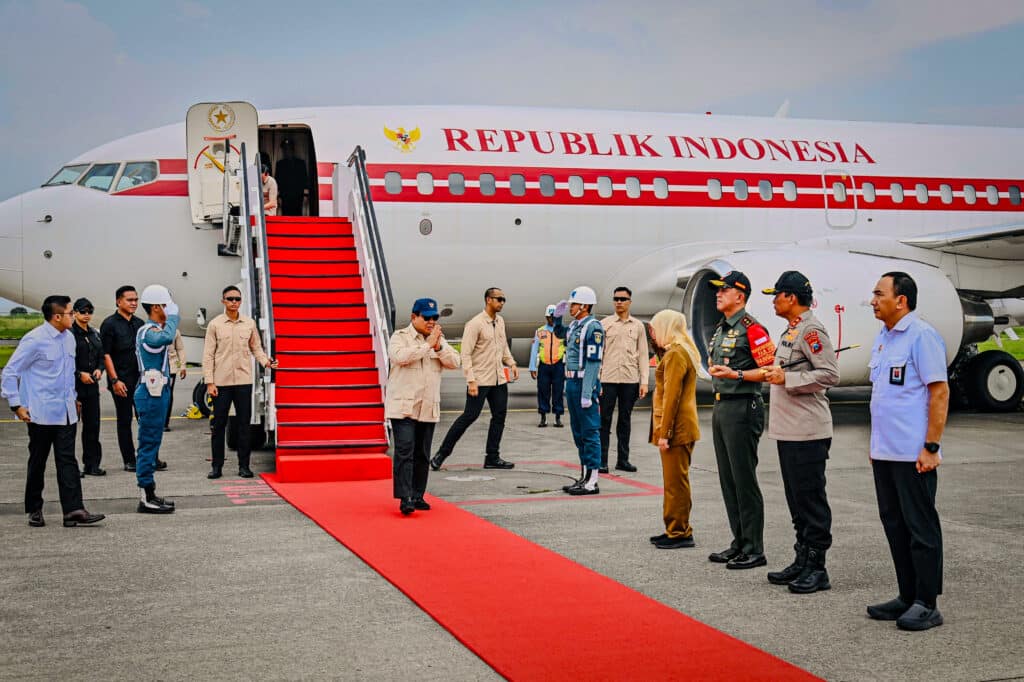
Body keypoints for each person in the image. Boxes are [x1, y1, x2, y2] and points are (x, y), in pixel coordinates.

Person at [866, 272, 948, 631]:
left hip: (914, 455)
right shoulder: (883, 338)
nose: (873, 300)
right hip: (885, 453)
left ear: (901, 300)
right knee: (895, 526)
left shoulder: (922, 336)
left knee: (920, 528)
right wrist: (875, 446)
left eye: (879, 293)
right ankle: (907, 594)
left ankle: (927, 603)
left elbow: (939, 393)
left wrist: (931, 446)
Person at [761, 272, 840, 593]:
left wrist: (788, 380)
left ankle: (817, 567)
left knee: (810, 501)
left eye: (777, 295)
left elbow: (829, 373)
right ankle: (801, 559)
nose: (773, 301)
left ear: (791, 298)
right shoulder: (792, 330)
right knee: (796, 501)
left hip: (808, 431)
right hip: (789, 430)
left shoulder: (811, 330)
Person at [2, 295, 105, 527]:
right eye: (70, 313)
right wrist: (17, 404)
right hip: (40, 413)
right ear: (57, 316)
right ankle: (34, 508)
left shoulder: (68, 338)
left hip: (66, 412)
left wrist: (75, 399)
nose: (74, 316)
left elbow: (68, 374)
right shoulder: (34, 340)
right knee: (38, 461)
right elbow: (9, 372)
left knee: (68, 460)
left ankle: (73, 510)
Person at [706, 271, 776, 570]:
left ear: (741, 295)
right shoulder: (722, 328)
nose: (718, 293)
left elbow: (770, 369)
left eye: (725, 290)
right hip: (722, 407)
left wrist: (735, 374)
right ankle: (739, 541)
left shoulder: (753, 328)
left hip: (743, 407)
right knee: (728, 480)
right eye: (718, 289)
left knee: (744, 480)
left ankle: (754, 548)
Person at [431, 287, 519, 470]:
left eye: (504, 299)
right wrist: (470, 380)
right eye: (499, 299)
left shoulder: (500, 321)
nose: (502, 302)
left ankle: (492, 457)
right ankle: (441, 454)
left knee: (499, 417)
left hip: (498, 379)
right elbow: (466, 354)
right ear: (488, 300)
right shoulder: (475, 324)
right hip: (479, 379)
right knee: (469, 416)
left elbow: (503, 347)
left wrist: (511, 363)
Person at [387, 298, 460, 515]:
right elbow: (400, 357)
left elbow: (455, 362)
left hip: (427, 406)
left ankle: (418, 494)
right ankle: (405, 497)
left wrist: (438, 346)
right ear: (414, 317)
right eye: (426, 317)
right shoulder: (400, 337)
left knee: (422, 453)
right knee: (404, 450)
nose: (431, 321)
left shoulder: (438, 341)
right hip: (404, 406)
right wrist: (427, 345)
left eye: (434, 317)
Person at [202, 285, 277, 479]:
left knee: (244, 425)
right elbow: (208, 355)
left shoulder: (249, 324)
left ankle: (244, 466)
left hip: (243, 381)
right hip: (221, 383)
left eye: (237, 299)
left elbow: (257, 349)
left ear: (240, 301)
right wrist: (210, 382)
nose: (234, 302)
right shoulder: (215, 325)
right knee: (218, 425)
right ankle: (216, 466)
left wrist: (267, 362)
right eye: (230, 299)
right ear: (223, 301)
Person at [647, 310, 701, 549]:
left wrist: (664, 433)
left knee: (675, 483)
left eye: (656, 327)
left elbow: (671, 397)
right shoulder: (677, 351)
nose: (653, 332)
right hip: (678, 426)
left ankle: (679, 532)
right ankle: (673, 527)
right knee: (674, 482)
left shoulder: (676, 355)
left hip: (676, 428)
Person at [101, 285, 158, 472]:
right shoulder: (109, 324)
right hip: (122, 381)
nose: (134, 303)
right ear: (119, 301)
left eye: (136, 300)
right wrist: (115, 380)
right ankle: (129, 459)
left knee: (145, 419)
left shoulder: (140, 323)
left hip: (141, 379)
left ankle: (150, 457)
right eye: (130, 300)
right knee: (125, 420)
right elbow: (106, 354)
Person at [134, 285, 180, 514]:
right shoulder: (147, 331)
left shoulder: (153, 329)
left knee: (153, 444)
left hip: (158, 392)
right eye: (165, 305)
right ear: (155, 307)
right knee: (148, 444)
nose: (168, 310)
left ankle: (150, 492)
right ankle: (145, 495)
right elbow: (166, 336)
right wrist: (173, 316)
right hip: (150, 394)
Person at [599, 286, 650, 473]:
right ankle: (602, 460)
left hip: (629, 379)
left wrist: (644, 381)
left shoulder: (637, 326)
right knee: (604, 420)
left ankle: (623, 459)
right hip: (608, 378)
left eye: (623, 299)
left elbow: (643, 355)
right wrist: (597, 380)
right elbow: (598, 355)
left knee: (625, 420)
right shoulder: (604, 324)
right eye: (616, 299)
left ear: (630, 302)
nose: (619, 302)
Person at [561, 286, 604, 495]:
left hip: (584, 383)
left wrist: (587, 392)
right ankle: (584, 475)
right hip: (572, 383)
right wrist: (557, 317)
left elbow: (593, 363)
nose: (571, 308)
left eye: (574, 304)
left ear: (585, 306)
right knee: (578, 433)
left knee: (589, 432)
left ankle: (592, 480)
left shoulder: (593, 327)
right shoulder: (575, 326)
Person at [71, 297, 105, 476]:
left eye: (89, 312)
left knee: (92, 427)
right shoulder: (69, 334)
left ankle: (92, 464)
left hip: (91, 386)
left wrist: (100, 369)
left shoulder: (94, 333)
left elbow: (101, 355)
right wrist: (79, 374)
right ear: (74, 312)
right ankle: (71, 467)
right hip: (73, 386)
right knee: (69, 430)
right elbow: (64, 362)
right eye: (82, 311)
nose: (86, 315)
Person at [528, 304, 566, 428]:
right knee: (543, 391)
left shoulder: (562, 332)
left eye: (554, 317)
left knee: (558, 392)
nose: (552, 319)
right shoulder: (540, 331)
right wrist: (532, 367)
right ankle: (543, 417)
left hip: (558, 365)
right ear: (546, 317)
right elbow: (534, 350)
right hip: (544, 366)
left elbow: (569, 350)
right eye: (550, 317)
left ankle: (557, 417)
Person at [275, 139, 308, 216]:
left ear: (293, 149)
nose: (287, 151)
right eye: (285, 149)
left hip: (298, 196)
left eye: (289, 149)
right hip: (285, 196)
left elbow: (304, 179)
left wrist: (305, 195)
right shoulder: (280, 164)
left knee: (298, 216)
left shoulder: (300, 163)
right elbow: (277, 181)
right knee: (285, 216)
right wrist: (278, 196)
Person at [163, 329, 186, 432]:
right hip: (155, 367)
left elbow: (180, 349)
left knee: (168, 393)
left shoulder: (175, 331)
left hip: (171, 366)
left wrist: (182, 366)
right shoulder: (151, 328)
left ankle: (165, 423)